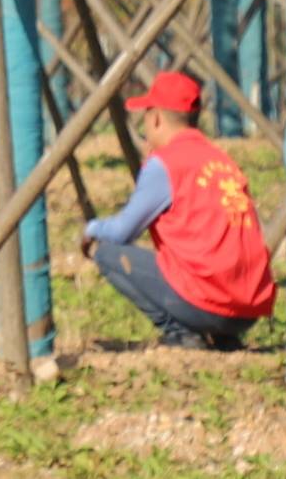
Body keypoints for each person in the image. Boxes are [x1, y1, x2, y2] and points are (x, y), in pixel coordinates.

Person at [76, 68, 275, 350]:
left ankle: (180, 333)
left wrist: (91, 228)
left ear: (156, 118)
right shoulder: (221, 160)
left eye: (146, 115)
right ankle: (223, 338)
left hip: (209, 305)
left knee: (106, 251)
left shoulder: (166, 163)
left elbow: (122, 232)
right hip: (249, 309)